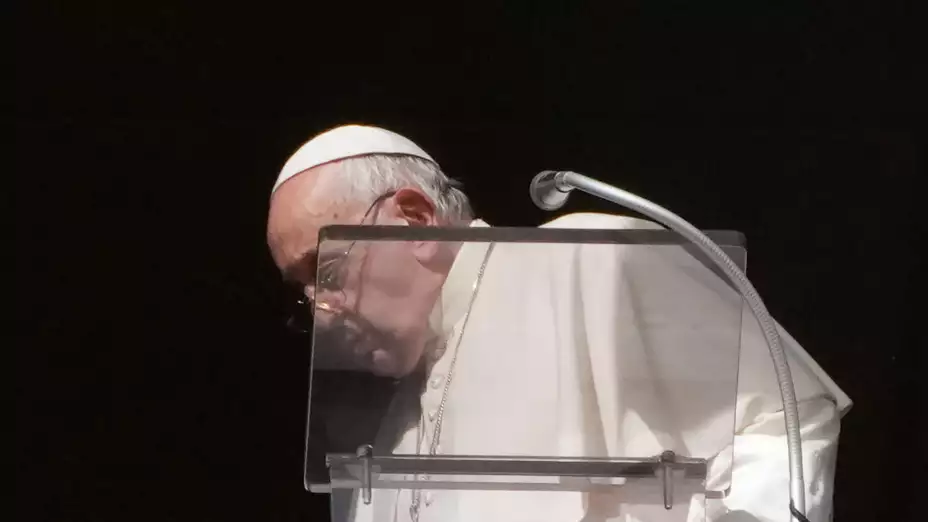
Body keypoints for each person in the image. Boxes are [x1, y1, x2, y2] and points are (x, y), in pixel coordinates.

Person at [266, 124, 851, 522]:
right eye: (302, 292)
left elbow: (780, 425)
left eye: (325, 267)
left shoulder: (587, 262)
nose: (320, 308)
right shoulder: (378, 435)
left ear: (415, 218)